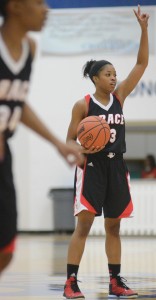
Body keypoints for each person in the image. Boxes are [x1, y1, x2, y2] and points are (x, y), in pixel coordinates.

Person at [63, 5, 149, 299]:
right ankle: (71, 281)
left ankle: (115, 281)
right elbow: (69, 143)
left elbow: (141, 65)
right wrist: (83, 148)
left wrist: (144, 30)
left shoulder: (120, 97)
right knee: (84, 226)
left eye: (115, 74)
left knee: (114, 227)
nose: (114, 78)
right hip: (92, 168)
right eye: (108, 74)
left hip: (116, 167)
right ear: (95, 78)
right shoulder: (83, 105)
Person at [0, 0, 83, 275]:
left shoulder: (30, 49)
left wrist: (58, 143)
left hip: (3, 156)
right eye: (38, 2)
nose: (47, 8)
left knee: (5, 250)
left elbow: (18, 103)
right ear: (15, 6)